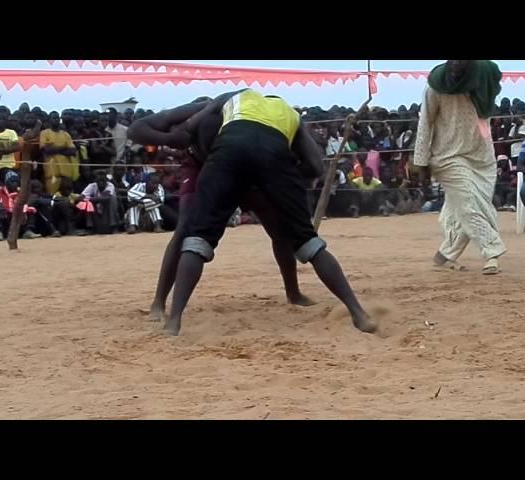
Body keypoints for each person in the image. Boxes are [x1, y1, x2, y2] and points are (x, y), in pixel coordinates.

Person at [150, 89, 376, 336]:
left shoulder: (235, 99)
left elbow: (189, 130)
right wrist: (286, 181)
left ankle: (174, 320)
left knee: (197, 239)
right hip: (274, 156)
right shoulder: (290, 114)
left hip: (228, 151)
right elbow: (314, 166)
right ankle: (358, 313)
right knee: (308, 241)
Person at [127, 98, 318, 323]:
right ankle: (159, 302)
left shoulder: (266, 122)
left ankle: (293, 292)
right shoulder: (197, 112)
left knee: (277, 228)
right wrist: (170, 139)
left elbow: (313, 166)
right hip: (202, 166)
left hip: (248, 165)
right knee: (186, 228)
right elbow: (136, 130)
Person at [414, 60, 506, 275]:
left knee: (464, 209)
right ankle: (492, 251)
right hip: (447, 156)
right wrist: (421, 161)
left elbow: (494, 74)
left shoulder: (482, 80)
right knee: (469, 205)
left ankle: (446, 254)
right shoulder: (435, 86)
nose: (455, 63)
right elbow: (425, 122)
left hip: (482, 155)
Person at [39, 112, 77, 195]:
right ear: (49, 120)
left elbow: (73, 151)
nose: (56, 120)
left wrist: (54, 148)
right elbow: (46, 150)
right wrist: (64, 147)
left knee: (69, 199)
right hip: (52, 175)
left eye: (57, 118)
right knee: (53, 199)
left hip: (66, 174)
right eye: (54, 118)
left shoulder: (66, 134)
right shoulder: (44, 133)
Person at [78, 170, 121, 234]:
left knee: (112, 199)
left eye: (103, 180)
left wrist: (90, 199)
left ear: (106, 180)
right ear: (96, 181)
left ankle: (113, 227)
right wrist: (90, 200)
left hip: (107, 213)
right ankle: (90, 228)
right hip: (96, 214)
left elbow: (106, 198)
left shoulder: (110, 185)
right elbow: (80, 197)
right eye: (99, 180)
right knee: (86, 203)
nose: (101, 182)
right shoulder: (92, 186)